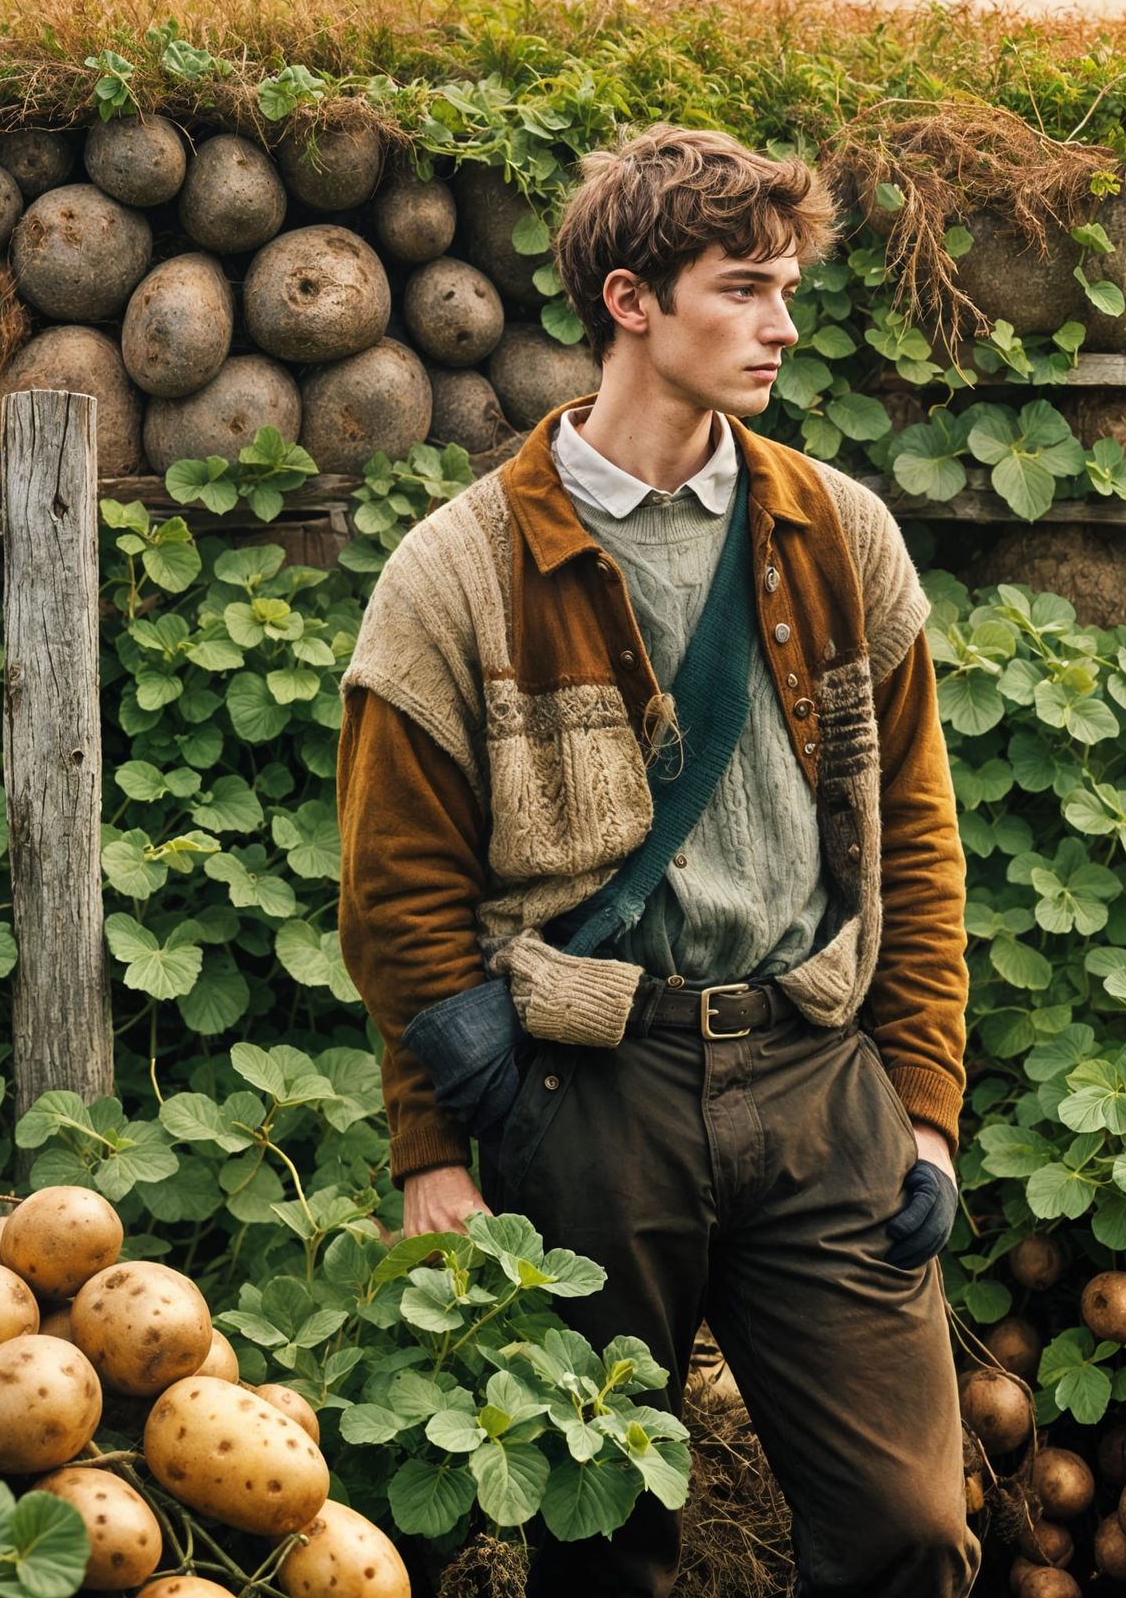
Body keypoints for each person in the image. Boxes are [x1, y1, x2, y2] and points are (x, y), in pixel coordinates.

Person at [336, 123, 981, 1598]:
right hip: (585, 1093)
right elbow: (398, 890)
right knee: (598, 1545)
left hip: (819, 1084)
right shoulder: (457, 566)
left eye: (789, 288)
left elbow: (919, 844)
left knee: (906, 1532)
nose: (782, 325)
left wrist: (926, 1109)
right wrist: (438, 1145)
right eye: (744, 288)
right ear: (632, 302)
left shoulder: (841, 534)